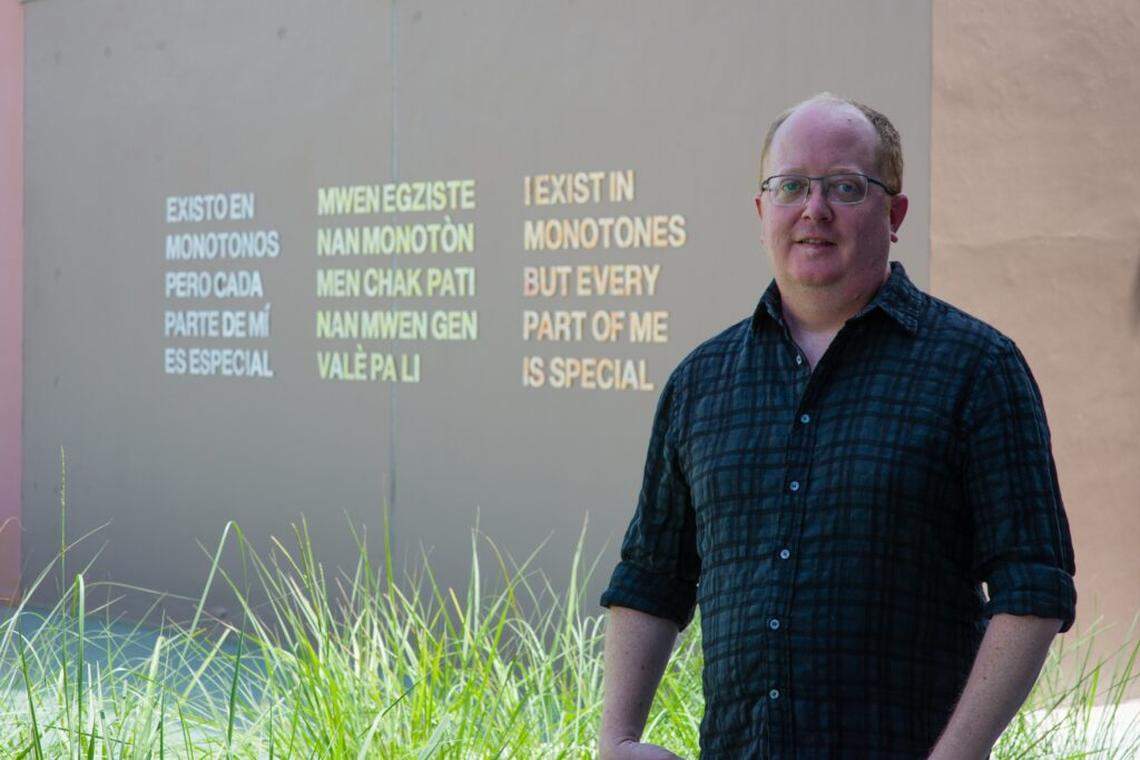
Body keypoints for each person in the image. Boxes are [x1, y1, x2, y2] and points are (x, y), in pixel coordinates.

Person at [596, 93, 1076, 759]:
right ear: (762, 211)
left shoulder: (977, 369)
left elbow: (1034, 586)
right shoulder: (700, 383)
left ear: (894, 214)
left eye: (845, 187)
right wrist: (616, 741)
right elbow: (651, 577)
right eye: (790, 186)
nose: (813, 209)